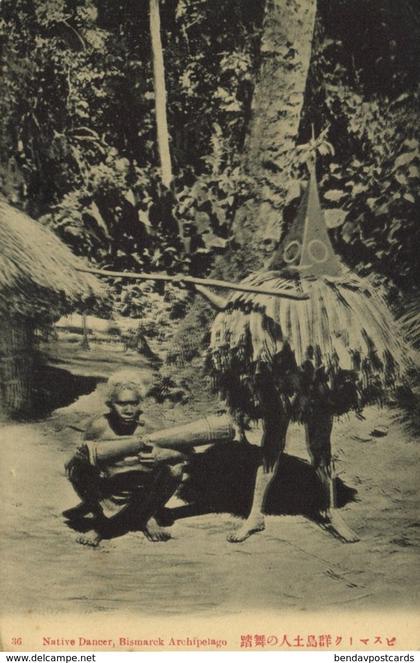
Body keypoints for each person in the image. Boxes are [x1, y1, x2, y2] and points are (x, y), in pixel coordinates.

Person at [65, 371, 187, 547]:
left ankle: (147, 516)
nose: (129, 410)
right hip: (108, 490)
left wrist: (162, 456)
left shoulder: (152, 426)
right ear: (110, 404)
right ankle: (102, 522)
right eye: (122, 404)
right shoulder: (98, 427)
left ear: (140, 404)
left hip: (143, 492)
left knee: (175, 470)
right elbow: (83, 456)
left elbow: (184, 453)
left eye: (133, 403)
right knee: (76, 469)